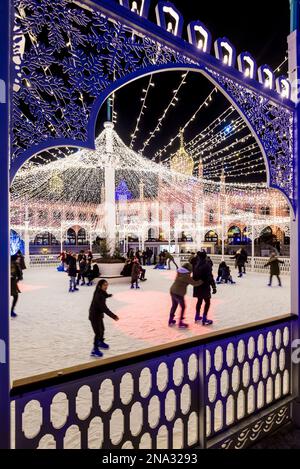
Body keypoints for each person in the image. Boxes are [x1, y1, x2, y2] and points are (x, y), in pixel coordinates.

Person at [89, 279, 119, 358]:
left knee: (102, 329)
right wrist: (113, 316)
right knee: (98, 333)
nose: (106, 286)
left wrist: (109, 295)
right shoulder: (98, 296)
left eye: (107, 285)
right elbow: (104, 308)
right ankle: (94, 349)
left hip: (99, 315)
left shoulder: (101, 291)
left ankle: (100, 342)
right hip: (94, 316)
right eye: (104, 285)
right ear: (100, 286)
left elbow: (105, 295)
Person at [169, 263, 202, 329]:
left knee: (174, 305)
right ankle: (180, 322)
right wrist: (202, 281)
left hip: (172, 290)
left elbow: (187, 279)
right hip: (179, 293)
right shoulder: (186, 276)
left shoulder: (179, 272)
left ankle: (170, 320)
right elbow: (194, 283)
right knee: (183, 307)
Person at [193, 251, 217, 326]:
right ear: (205, 257)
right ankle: (204, 318)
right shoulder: (206, 265)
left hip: (197, 286)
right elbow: (210, 277)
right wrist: (213, 286)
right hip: (204, 286)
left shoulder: (196, 265)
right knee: (207, 302)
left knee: (199, 301)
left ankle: (197, 316)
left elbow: (194, 277)